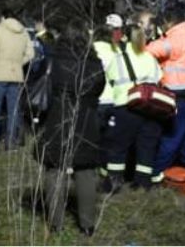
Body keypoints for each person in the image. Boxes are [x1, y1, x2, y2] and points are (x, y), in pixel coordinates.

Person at [37, 21, 106, 236]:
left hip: (58, 117)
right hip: (86, 118)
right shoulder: (94, 63)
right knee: (85, 171)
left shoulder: (54, 61)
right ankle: (87, 224)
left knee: (55, 169)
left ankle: (56, 223)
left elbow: (45, 89)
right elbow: (99, 89)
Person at [142, 3, 185, 182]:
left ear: (169, 21)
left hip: (176, 95)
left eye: (162, 23)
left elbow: (146, 52)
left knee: (172, 136)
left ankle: (157, 172)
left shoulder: (172, 40)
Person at [102, 18, 164, 191]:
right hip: (150, 106)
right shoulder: (150, 57)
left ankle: (114, 182)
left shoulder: (119, 58)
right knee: (146, 145)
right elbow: (159, 78)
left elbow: (111, 80)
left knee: (118, 146)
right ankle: (143, 183)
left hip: (125, 105)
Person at [0, 8, 36, 152]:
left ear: (3, 17)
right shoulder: (23, 31)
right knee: (13, 110)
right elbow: (31, 54)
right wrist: (19, 62)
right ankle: (10, 144)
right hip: (16, 75)